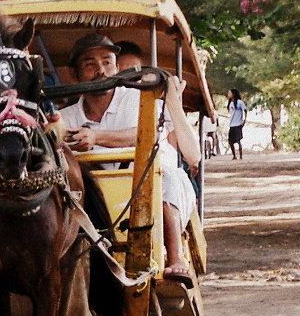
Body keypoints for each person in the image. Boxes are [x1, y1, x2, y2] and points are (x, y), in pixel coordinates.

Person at [61, 32, 200, 283]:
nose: (100, 70)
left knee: (166, 176)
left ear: (116, 67)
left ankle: (175, 256)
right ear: (75, 75)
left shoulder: (139, 99)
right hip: (93, 208)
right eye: (90, 64)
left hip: (144, 195)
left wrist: (96, 137)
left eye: (107, 62)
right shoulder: (66, 116)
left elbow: (148, 134)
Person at [226, 88, 247, 160]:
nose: (228, 94)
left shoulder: (240, 102)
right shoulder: (230, 103)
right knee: (230, 141)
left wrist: (244, 121)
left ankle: (241, 156)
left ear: (233, 94)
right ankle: (234, 155)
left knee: (238, 140)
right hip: (232, 124)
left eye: (230, 93)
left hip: (238, 124)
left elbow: (245, 111)